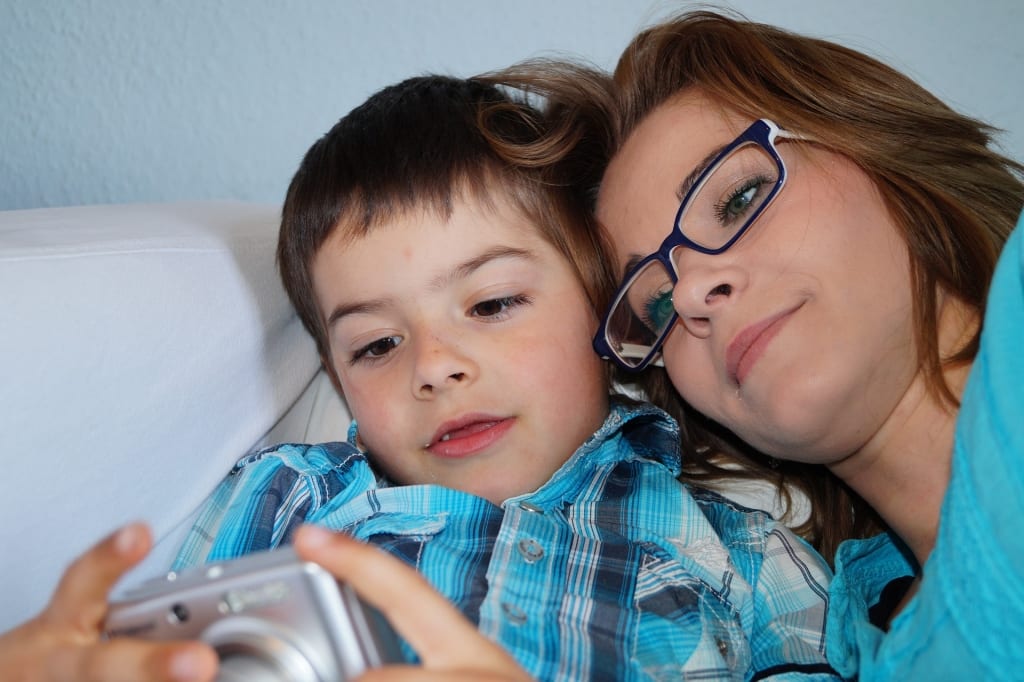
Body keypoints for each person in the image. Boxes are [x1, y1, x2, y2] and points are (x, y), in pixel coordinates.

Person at [0, 74, 841, 681]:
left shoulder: (741, 548)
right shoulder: (286, 497)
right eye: (376, 346)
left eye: (494, 303)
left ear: (601, 304)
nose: (435, 366)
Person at [485, 9, 1024, 679]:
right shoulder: (830, 642)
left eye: (738, 198)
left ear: (881, 151)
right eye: (654, 303)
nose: (686, 297)